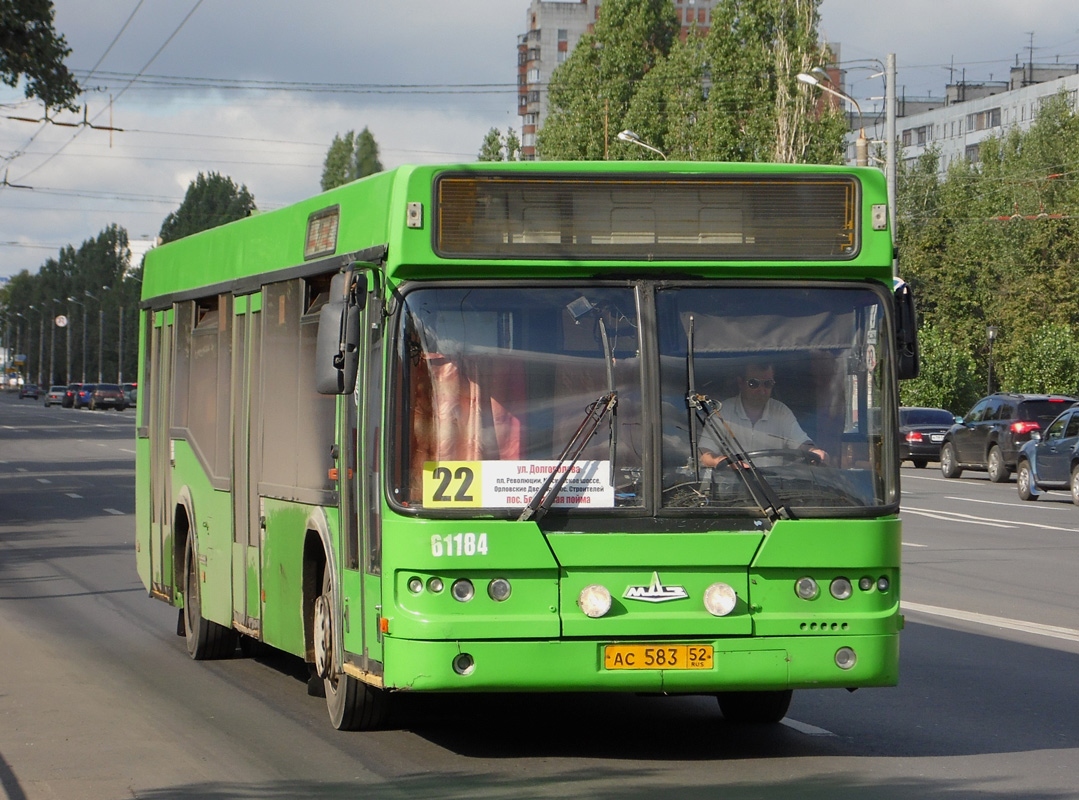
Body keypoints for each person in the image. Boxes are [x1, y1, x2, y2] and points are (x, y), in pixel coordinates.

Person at [699, 362, 827, 468]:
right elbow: (704, 455)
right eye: (754, 384)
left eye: (767, 384)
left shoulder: (781, 412)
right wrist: (725, 462)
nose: (762, 390)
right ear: (740, 383)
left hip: (776, 489)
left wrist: (813, 452)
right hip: (732, 487)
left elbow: (801, 442)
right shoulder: (722, 412)